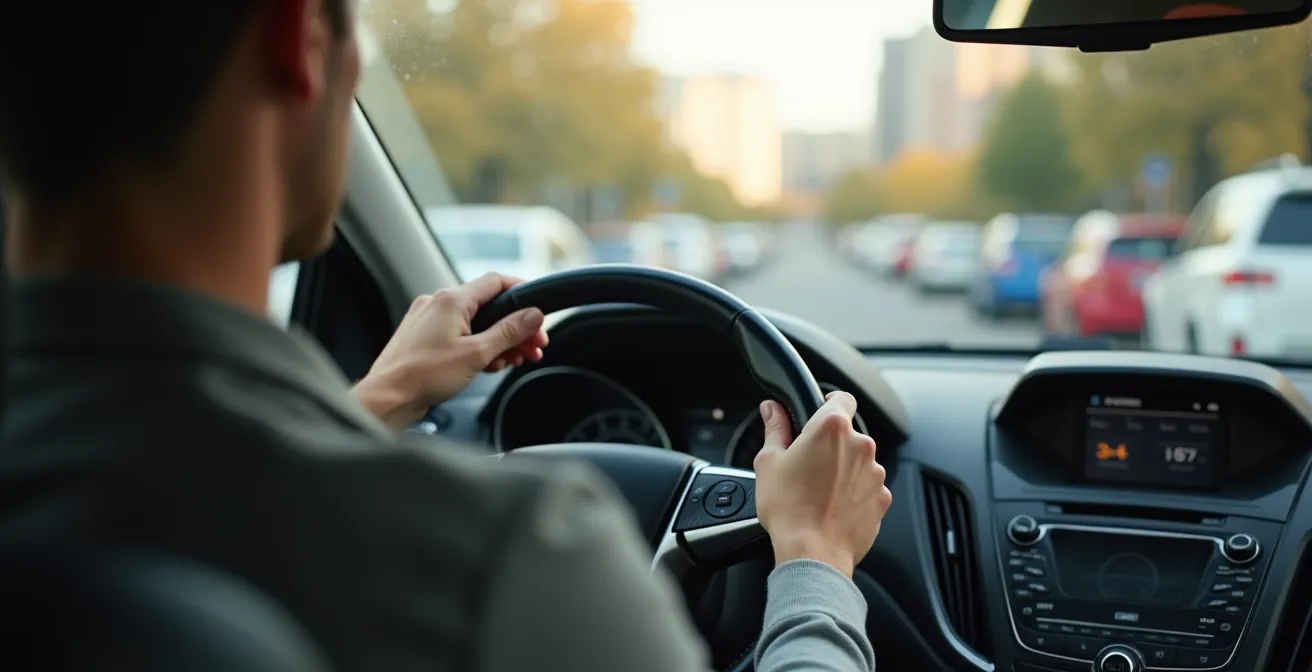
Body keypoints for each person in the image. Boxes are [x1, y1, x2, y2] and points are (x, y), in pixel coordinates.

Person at [0, 1, 893, 671]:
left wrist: (381, 395)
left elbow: (163, 498)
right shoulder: (506, 567)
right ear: (297, 38)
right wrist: (814, 556)